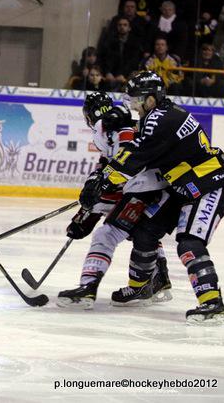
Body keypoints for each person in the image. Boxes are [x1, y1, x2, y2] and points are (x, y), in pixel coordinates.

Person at [98, 71, 224, 324]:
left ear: (151, 99)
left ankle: (212, 303)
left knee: (189, 243)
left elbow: (136, 156)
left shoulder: (163, 119)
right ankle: (142, 286)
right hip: (182, 185)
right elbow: (141, 152)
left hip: (208, 184)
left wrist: (104, 178)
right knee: (144, 231)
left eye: (137, 100)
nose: (134, 106)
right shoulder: (160, 114)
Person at [57, 92, 171, 309]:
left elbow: (126, 161)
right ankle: (160, 278)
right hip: (155, 187)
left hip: (141, 188)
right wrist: (95, 185)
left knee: (106, 234)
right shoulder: (119, 121)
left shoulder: (104, 125)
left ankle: (88, 287)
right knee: (142, 231)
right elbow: (109, 161)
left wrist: (88, 211)